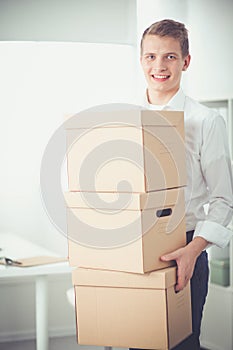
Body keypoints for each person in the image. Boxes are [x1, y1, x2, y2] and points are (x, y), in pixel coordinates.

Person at [130, 19, 233, 350]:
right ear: (141, 59)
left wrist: (193, 251)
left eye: (170, 57)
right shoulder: (124, 120)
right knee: (138, 344)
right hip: (134, 248)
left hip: (184, 249)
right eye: (151, 56)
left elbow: (224, 199)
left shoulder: (206, 121)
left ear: (185, 61)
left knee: (181, 346)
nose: (159, 66)